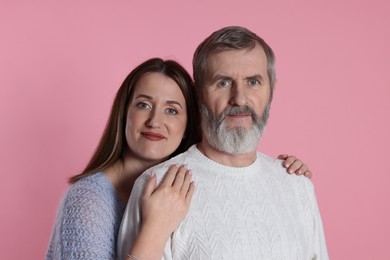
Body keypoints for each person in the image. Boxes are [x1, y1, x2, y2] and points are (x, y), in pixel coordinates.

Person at [46, 58, 310, 259]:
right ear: (123, 112)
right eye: (143, 105)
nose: (155, 121)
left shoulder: (181, 184)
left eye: (171, 110)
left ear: (188, 122)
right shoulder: (88, 201)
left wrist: (283, 177)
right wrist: (155, 229)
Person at [117, 26, 328, 260]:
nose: (239, 98)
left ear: (272, 90)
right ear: (198, 95)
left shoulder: (297, 186)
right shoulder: (157, 186)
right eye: (223, 83)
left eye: (253, 82)